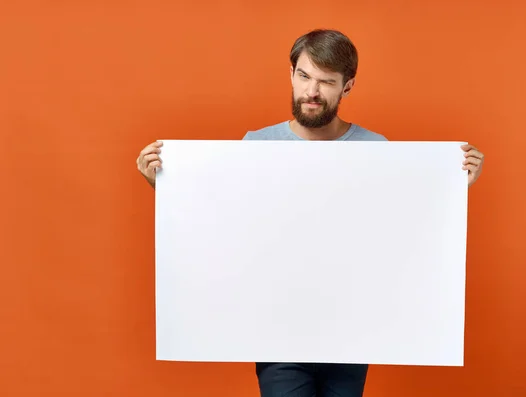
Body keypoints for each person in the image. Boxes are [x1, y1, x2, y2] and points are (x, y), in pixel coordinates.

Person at [136, 29, 484, 397]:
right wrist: (163, 184)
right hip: (277, 329)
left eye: (326, 82)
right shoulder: (256, 146)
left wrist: (454, 189)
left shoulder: (376, 149)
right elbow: (224, 228)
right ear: (291, 74)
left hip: (352, 328)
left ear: (347, 87)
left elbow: (402, 235)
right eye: (304, 76)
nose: (312, 92)